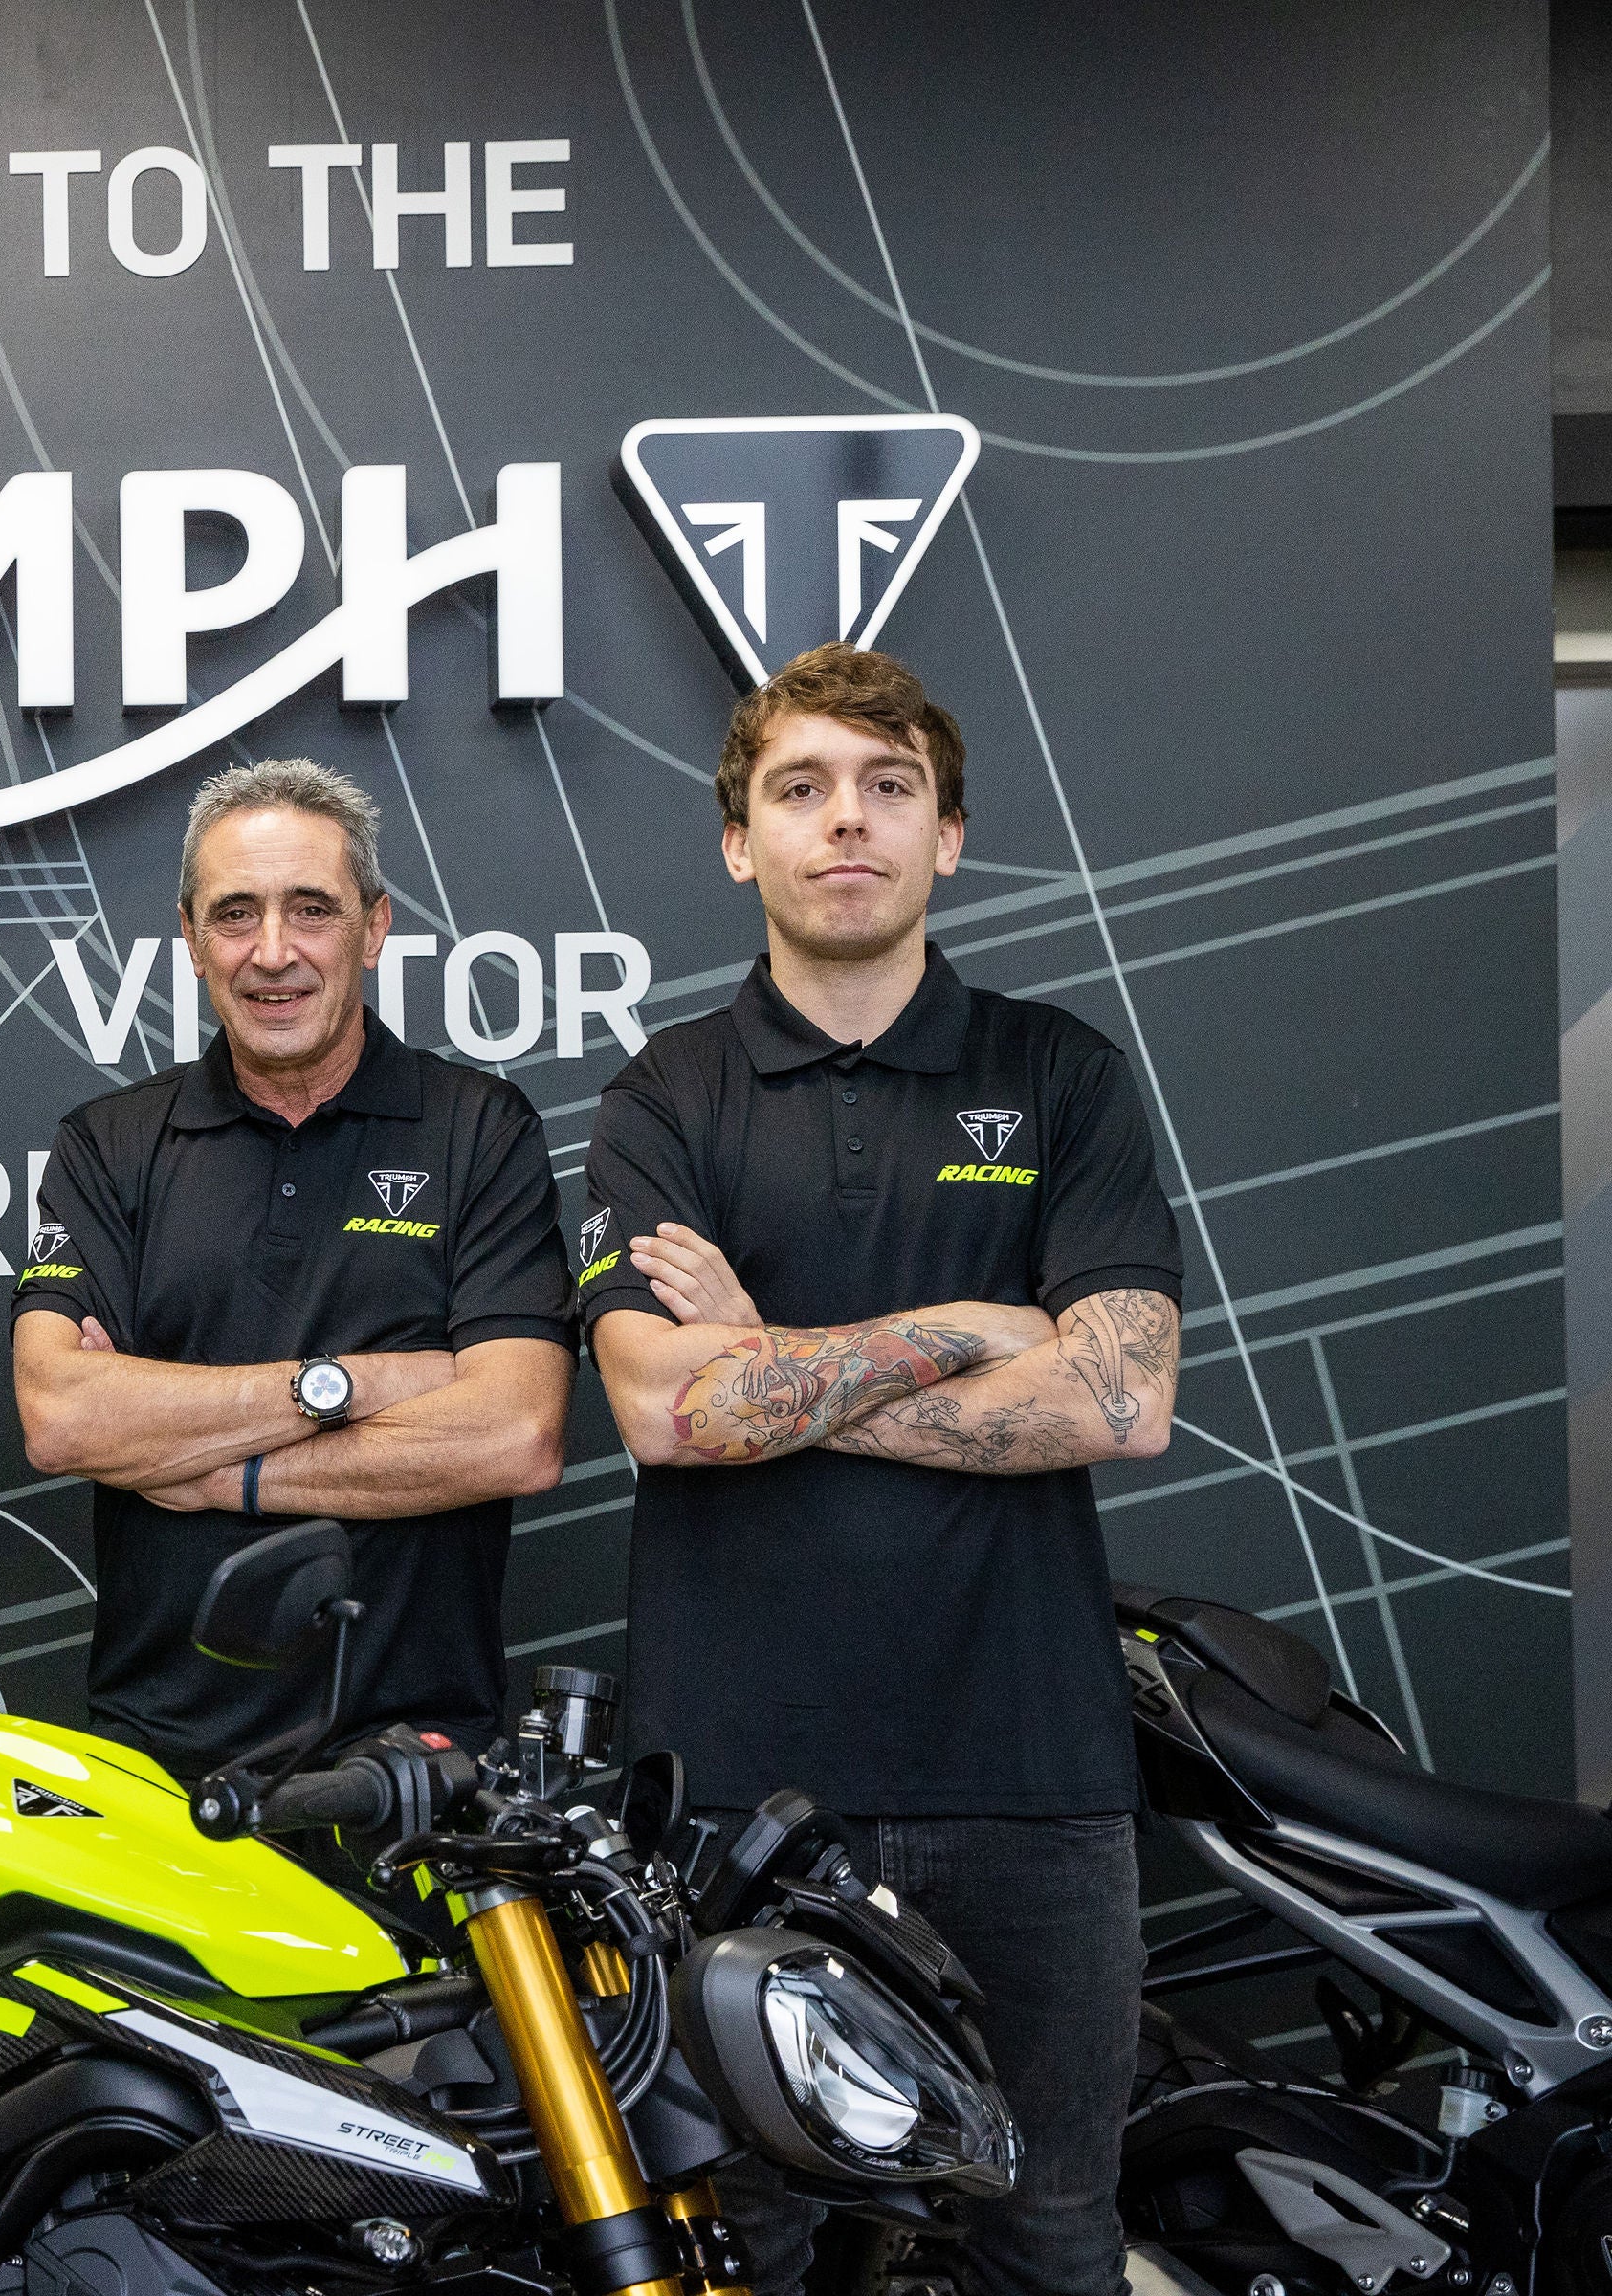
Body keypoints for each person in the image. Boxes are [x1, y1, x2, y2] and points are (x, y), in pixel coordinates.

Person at [578, 642, 1182, 2296]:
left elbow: (1122, 1401)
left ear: (949, 835)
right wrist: (974, 1327)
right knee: (740, 2256)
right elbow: (664, 1413)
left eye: (888, 786)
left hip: (1030, 1783)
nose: (846, 820)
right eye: (801, 788)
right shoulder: (662, 1095)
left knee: (1048, 2242)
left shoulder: (1060, 1075)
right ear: (739, 843)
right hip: (734, 1801)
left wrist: (771, 1356)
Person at [11, 759, 576, 1786]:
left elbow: (515, 1433)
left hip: (413, 1764)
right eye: (236, 915)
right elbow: (63, 1417)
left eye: (311, 909)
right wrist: (356, 1384)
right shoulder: (109, 1144)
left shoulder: (480, 1131)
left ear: (374, 926)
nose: (273, 952)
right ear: (191, 939)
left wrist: (218, 1473)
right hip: (157, 1759)